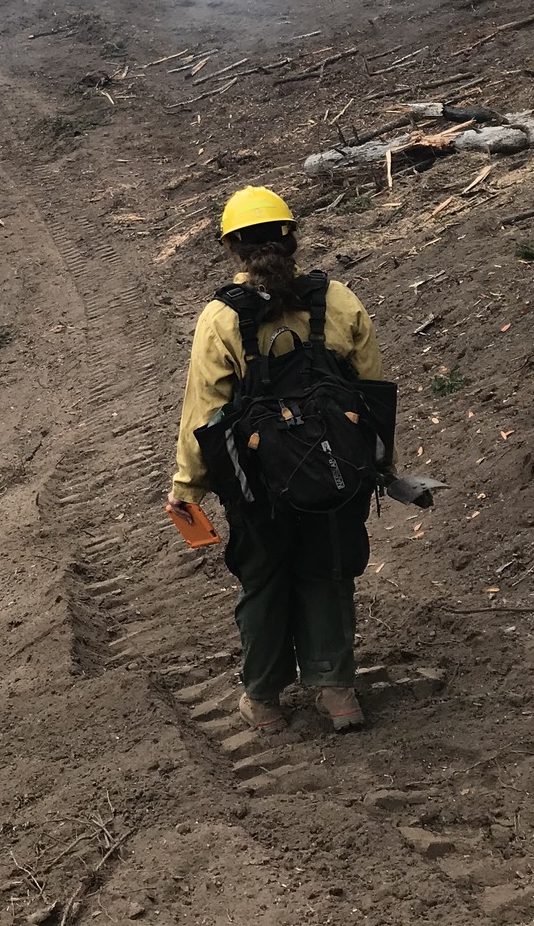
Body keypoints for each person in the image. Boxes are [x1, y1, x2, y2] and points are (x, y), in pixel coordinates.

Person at [167, 185, 386, 735]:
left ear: (233, 248)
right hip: (336, 475)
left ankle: (263, 701)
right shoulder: (338, 301)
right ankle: (338, 695)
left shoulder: (220, 319)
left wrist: (187, 489)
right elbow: (373, 393)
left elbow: (205, 412)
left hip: (258, 483)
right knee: (330, 572)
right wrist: (377, 468)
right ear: (293, 238)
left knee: (263, 581)